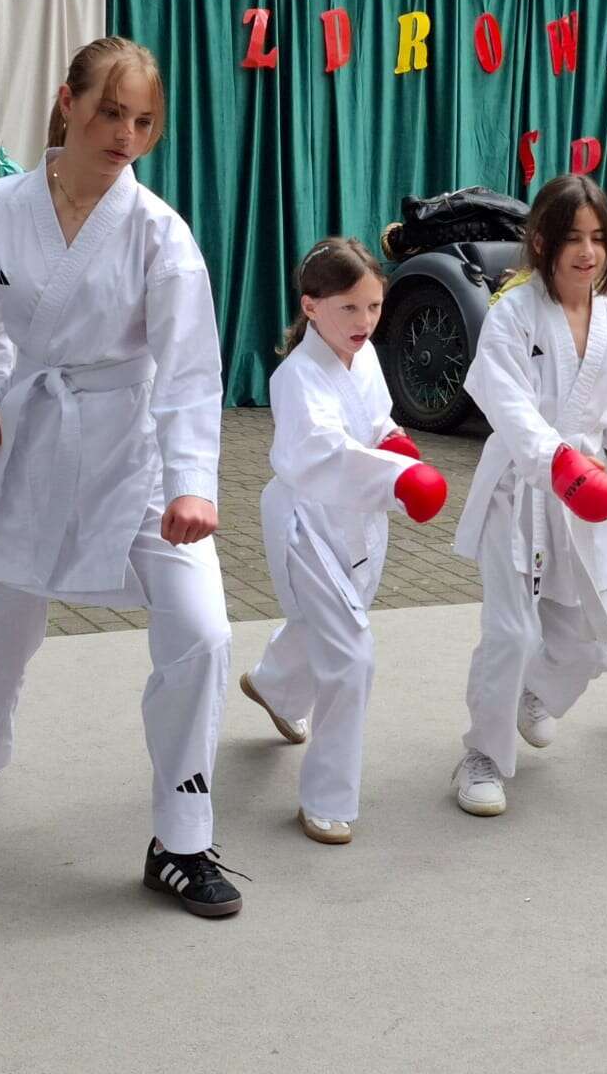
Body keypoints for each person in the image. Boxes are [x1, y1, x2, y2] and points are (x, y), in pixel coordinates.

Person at [0, 37, 243, 918]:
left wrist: (192, 483)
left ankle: (182, 839)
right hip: (38, 436)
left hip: (137, 449)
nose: (126, 135)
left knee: (202, 633)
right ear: (68, 102)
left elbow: (190, 370)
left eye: (144, 121)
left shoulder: (159, 233)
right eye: (109, 113)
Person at [450, 174, 607, 816]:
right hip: (520, 486)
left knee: (593, 638)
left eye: (598, 238)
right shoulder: (512, 314)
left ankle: (536, 694)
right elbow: (506, 404)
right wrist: (555, 462)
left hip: (588, 490)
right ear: (542, 242)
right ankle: (481, 755)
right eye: (573, 239)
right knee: (510, 632)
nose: (588, 252)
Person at [241, 238, 449, 845]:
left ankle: (275, 685)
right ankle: (327, 798)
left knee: (326, 624)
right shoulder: (296, 377)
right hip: (307, 522)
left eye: (375, 307)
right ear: (311, 306)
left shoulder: (365, 357)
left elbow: (375, 419)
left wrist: (395, 442)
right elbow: (322, 453)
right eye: (350, 308)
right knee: (352, 652)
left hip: (356, 519)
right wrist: (399, 478)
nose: (365, 322)